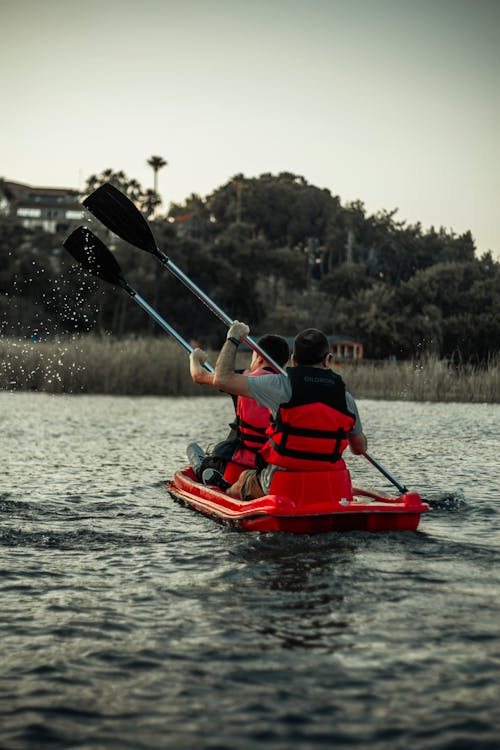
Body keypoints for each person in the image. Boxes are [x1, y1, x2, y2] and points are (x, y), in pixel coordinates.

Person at [210, 321, 367, 501]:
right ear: (327, 360)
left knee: (244, 479)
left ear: (293, 360)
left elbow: (221, 379)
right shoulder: (345, 398)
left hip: (283, 484)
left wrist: (233, 338)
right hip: (330, 484)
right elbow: (359, 448)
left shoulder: (280, 385)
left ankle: (226, 493)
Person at [187, 333, 290, 486]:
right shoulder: (287, 387)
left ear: (260, 358)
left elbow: (199, 376)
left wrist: (194, 357)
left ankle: (204, 471)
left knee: (193, 449)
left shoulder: (240, 380)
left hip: (236, 465)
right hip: (268, 466)